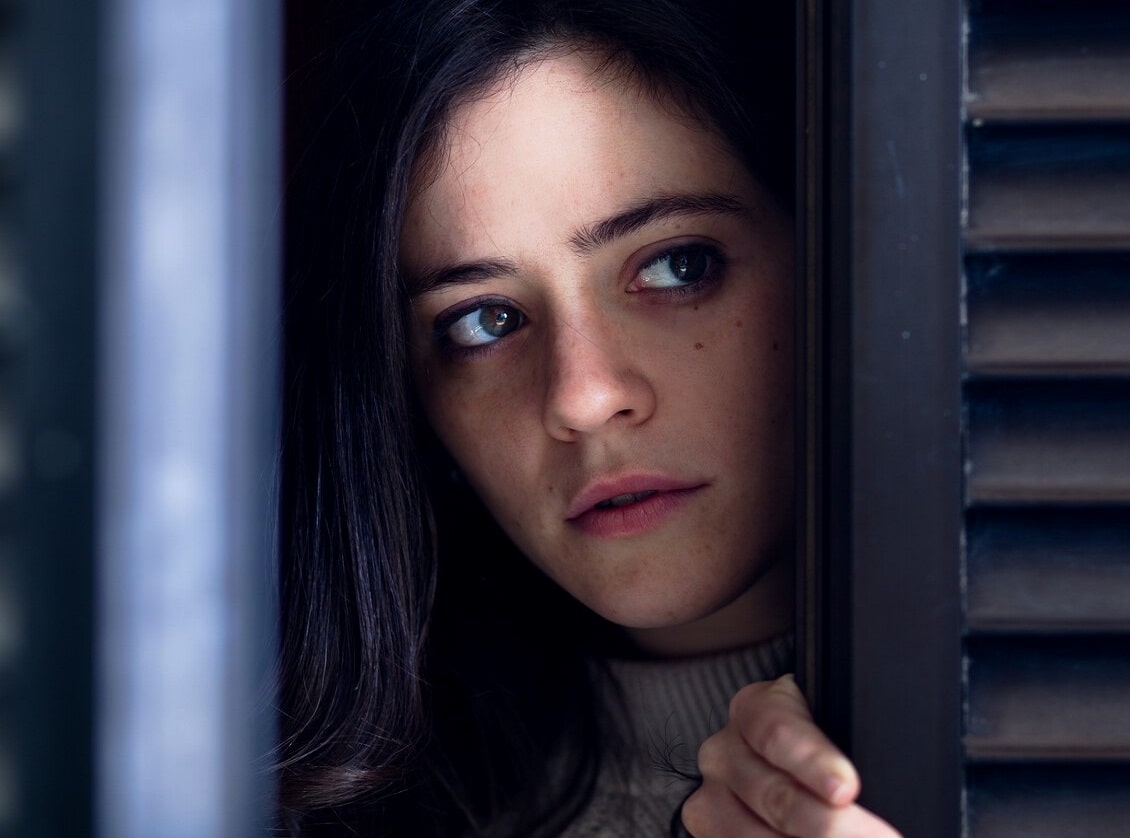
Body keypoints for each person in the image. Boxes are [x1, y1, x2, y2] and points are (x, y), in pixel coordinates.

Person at [277, 0, 899, 835]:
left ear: (832, 253)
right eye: (484, 321)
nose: (581, 396)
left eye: (679, 266)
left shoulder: (1052, 744)